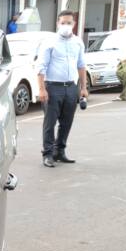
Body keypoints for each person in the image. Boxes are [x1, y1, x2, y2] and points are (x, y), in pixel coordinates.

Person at [37, 10, 88, 167]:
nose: (66, 25)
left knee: (66, 122)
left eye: (69, 23)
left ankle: (60, 151)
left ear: (74, 24)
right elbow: (41, 67)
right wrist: (42, 89)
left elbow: (81, 65)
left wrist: (83, 87)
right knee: (50, 123)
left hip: (71, 87)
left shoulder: (78, 42)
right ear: (57, 23)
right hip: (53, 87)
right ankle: (48, 154)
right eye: (63, 22)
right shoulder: (49, 42)